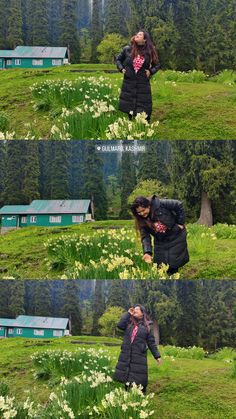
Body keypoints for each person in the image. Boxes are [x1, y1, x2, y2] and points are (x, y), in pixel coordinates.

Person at [130, 194, 189, 275]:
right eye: (139, 212)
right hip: (160, 240)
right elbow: (145, 237)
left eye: (143, 210)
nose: (142, 214)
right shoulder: (141, 220)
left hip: (175, 235)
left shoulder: (160, 203)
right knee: (159, 264)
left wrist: (180, 223)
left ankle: (174, 279)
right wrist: (147, 252)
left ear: (148, 206)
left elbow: (178, 204)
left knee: (173, 263)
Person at [114, 305, 161, 394]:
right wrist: (128, 313)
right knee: (127, 377)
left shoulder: (147, 327)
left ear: (142, 313)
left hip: (139, 356)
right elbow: (120, 325)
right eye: (133, 309)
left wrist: (157, 356)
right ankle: (127, 397)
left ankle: (141, 397)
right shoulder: (128, 323)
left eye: (137, 310)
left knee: (140, 378)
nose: (134, 311)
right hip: (127, 354)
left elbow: (151, 343)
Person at [115, 30, 160, 123]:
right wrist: (121, 68)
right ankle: (131, 125)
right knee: (129, 105)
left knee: (144, 105)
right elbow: (118, 60)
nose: (137, 35)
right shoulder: (127, 49)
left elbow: (157, 64)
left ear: (145, 40)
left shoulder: (150, 51)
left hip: (142, 83)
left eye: (140, 35)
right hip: (129, 82)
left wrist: (151, 72)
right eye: (136, 34)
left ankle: (143, 125)